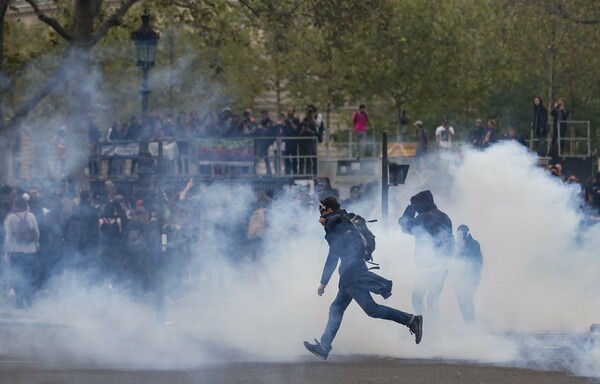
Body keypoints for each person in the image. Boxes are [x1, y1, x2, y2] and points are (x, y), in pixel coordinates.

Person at [304, 196, 423, 360]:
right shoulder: (348, 217)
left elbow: (334, 254)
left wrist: (323, 282)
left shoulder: (332, 222)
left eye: (322, 212)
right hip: (355, 267)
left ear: (328, 209)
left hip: (350, 272)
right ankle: (324, 346)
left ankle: (410, 320)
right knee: (337, 308)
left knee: (371, 309)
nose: (320, 216)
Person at [398, 190, 454, 327]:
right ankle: (433, 329)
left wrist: (409, 210)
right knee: (433, 299)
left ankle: (425, 325)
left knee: (417, 299)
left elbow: (405, 227)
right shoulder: (445, 217)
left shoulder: (424, 217)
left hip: (426, 266)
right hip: (443, 265)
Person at [4, 196, 40, 307]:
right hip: (31, 251)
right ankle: (29, 299)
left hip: (17, 252)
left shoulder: (10, 218)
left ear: (16, 206)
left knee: (18, 276)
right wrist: (36, 244)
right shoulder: (31, 215)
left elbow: (8, 237)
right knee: (30, 276)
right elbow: (37, 233)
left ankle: (18, 301)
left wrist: (6, 252)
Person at [448, 224, 482, 324]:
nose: (460, 235)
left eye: (462, 233)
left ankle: (470, 322)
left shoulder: (474, 244)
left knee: (466, 299)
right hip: (460, 277)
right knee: (462, 300)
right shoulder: (456, 245)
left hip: (472, 276)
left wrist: (462, 247)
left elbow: (473, 260)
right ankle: (468, 322)